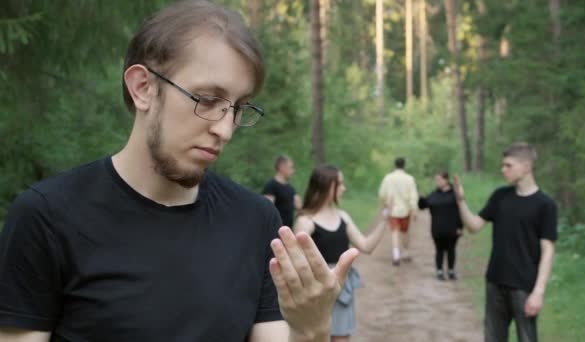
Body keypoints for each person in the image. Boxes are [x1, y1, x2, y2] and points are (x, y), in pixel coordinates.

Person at [0, 1, 358, 341]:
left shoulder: (256, 221)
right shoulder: (47, 218)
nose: (225, 129)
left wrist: (312, 328)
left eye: (238, 108)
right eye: (207, 100)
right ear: (143, 88)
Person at [453, 143, 558, 342]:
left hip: (524, 287)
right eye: (503, 165)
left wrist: (538, 292)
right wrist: (460, 201)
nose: (503, 170)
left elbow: (548, 250)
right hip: (495, 282)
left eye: (508, 165)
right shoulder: (500, 196)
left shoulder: (546, 205)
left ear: (526, 167)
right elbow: (474, 226)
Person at [293, 165, 387, 342]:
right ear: (327, 186)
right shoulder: (305, 222)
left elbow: (366, 246)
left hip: (343, 288)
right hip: (316, 293)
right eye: (340, 183)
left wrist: (384, 219)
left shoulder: (342, 216)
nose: (343, 188)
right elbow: (298, 266)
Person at [418, 171, 463, 281]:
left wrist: (460, 227)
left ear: (446, 180)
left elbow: (460, 211)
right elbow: (422, 206)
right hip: (437, 229)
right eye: (436, 180)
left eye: (439, 179)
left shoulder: (454, 194)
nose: (437, 182)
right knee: (439, 250)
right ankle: (439, 271)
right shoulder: (434, 194)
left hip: (452, 228)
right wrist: (420, 198)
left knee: (451, 250)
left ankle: (451, 271)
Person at [378, 157, 419, 266]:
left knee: (395, 232)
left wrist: (384, 205)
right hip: (405, 210)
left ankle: (396, 255)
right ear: (404, 165)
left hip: (392, 210)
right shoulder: (409, 178)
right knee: (405, 231)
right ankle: (405, 252)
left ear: (395, 165)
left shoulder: (388, 178)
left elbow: (382, 193)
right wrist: (414, 209)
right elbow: (413, 195)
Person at [263, 155, 302, 227]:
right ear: (281, 167)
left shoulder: (290, 188)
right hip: (275, 230)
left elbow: (299, 207)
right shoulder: (271, 186)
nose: (293, 171)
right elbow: (266, 209)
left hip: (288, 229)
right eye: (291, 167)